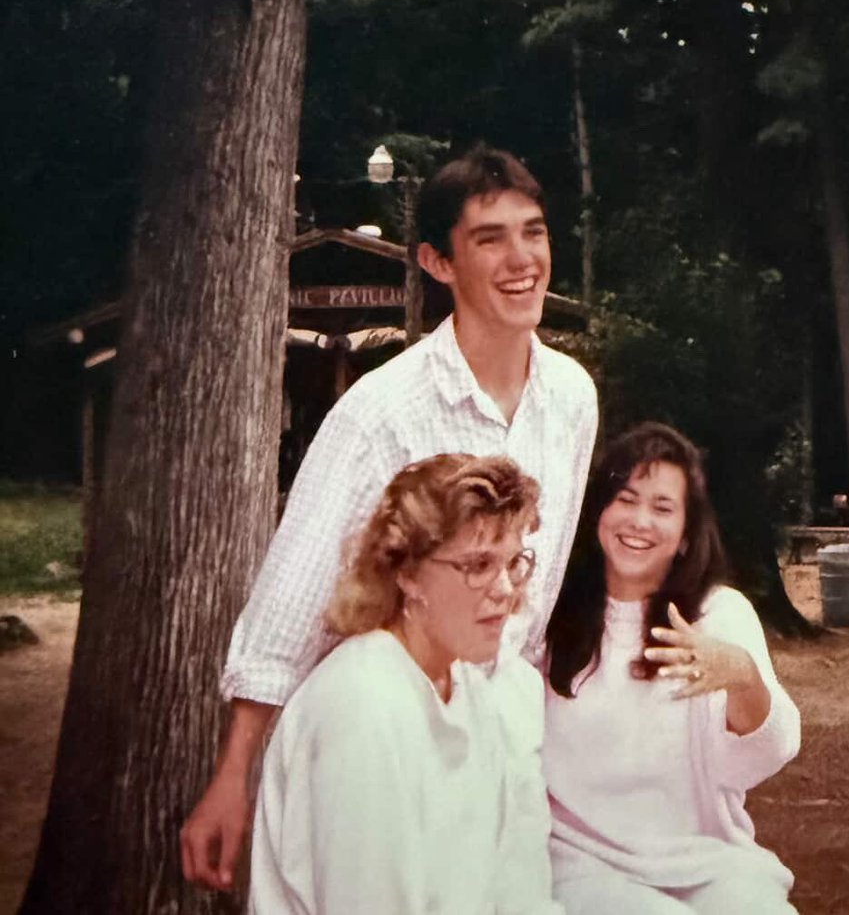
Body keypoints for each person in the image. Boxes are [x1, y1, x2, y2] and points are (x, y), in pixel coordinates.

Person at [182, 145, 598, 890]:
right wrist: (232, 778)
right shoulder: (382, 411)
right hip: (388, 732)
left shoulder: (572, 398)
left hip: (496, 714)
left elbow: (535, 592)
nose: (520, 259)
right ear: (438, 263)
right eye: (489, 239)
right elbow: (291, 600)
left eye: (532, 231)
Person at [250, 453, 561, 913]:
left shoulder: (472, 688)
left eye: (513, 563)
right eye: (478, 564)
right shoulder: (362, 702)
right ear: (408, 573)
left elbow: (515, 885)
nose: (504, 588)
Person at [542, 422, 801, 914]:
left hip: (706, 859)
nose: (639, 520)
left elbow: (767, 755)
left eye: (662, 508)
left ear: (685, 535)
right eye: (625, 499)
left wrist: (742, 675)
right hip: (580, 863)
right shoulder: (550, 617)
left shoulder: (720, 613)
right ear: (598, 511)